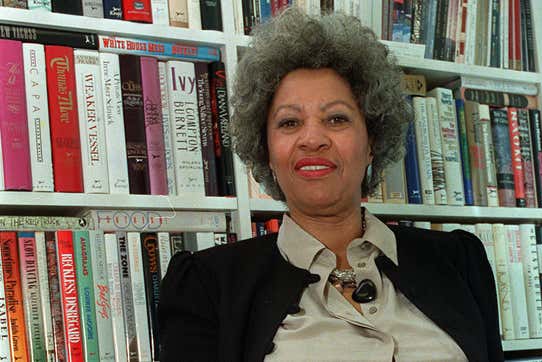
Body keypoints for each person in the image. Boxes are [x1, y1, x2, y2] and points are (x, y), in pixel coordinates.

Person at [159, 7, 503, 362]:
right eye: (290, 123)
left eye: (336, 118)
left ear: (372, 142)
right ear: (266, 150)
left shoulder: (459, 262)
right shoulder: (205, 286)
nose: (312, 139)